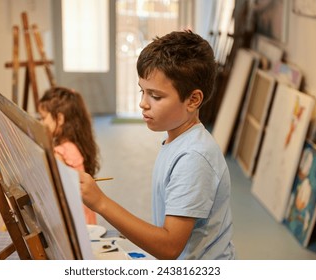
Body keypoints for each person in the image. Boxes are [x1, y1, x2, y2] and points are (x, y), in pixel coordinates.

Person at [79, 30, 236, 259]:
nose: (143, 103)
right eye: (142, 91)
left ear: (193, 100)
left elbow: (169, 247)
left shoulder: (194, 158)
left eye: (156, 96)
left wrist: (100, 202)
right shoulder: (177, 139)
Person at [38, 87, 100, 225]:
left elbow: (54, 196)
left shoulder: (59, 154)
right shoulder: (76, 145)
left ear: (59, 118)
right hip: (87, 220)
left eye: (43, 118)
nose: (41, 123)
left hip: (74, 225)